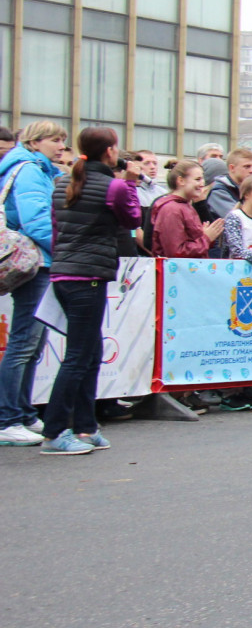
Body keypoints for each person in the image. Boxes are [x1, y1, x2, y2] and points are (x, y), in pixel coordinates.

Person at [37, 128, 143, 455]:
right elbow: (133, 218)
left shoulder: (63, 183)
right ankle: (55, 431)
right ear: (110, 152)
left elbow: (57, 227)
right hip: (88, 275)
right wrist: (129, 181)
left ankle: (85, 425)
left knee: (90, 351)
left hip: (65, 272)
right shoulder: (114, 187)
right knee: (80, 356)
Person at [0, 121, 67, 446]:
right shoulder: (29, 170)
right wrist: (63, 249)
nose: (60, 146)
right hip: (37, 261)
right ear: (35, 141)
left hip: (41, 260)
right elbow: (37, 219)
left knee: (31, 343)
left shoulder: (39, 170)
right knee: (24, 342)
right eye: (55, 140)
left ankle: (22, 413)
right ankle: (8, 418)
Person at [151, 160, 227, 258]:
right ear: (181, 181)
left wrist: (203, 236)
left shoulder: (185, 206)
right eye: (197, 179)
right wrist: (206, 238)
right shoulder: (171, 209)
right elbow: (175, 252)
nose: (202, 183)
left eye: (202, 179)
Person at [206, 148, 252, 220]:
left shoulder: (247, 188)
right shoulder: (219, 192)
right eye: (247, 166)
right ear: (232, 168)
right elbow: (238, 218)